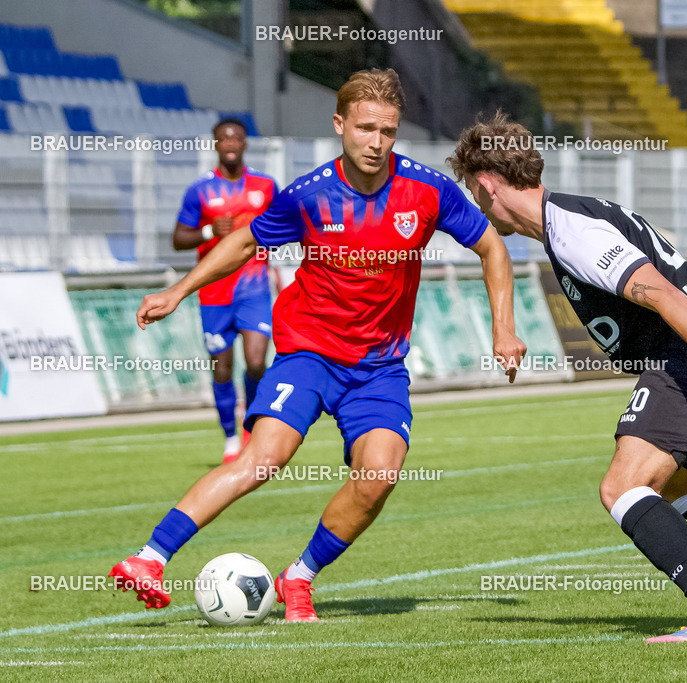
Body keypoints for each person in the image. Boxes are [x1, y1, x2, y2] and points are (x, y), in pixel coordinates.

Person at [109, 69, 526, 621]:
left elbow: (493, 248)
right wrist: (180, 290)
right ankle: (150, 557)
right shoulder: (308, 195)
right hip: (309, 352)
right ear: (340, 125)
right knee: (265, 457)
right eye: (365, 128)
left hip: (379, 367)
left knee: (379, 475)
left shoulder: (427, 190)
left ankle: (298, 577)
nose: (376, 142)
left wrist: (503, 327)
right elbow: (243, 242)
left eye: (388, 131)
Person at [447, 112, 687, 642]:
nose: (474, 201)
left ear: (488, 183)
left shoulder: (573, 232)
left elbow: (659, 291)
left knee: (623, 486)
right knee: (674, 487)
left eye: (473, 189)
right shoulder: (567, 223)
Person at [172, 117, 276, 463]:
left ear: (245, 144)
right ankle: (230, 438)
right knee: (222, 368)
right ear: (216, 145)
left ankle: (250, 428)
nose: (230, 144)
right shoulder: (200, 190)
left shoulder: (266, 186)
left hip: (254, 286)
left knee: (258, 362)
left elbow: (281, 228)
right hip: (215, 292)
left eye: (236, 138)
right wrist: (207, 231)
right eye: (223, 139)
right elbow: (178, 239)